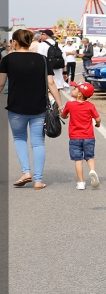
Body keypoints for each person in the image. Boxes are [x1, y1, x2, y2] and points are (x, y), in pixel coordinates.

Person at [0, 28, 64, 189]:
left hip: (16, 108)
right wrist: (60, 105)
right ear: (30, 41)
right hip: (38, 108)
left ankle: (26, 172)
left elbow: (1, 83)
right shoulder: (43, 60)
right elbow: (51, 84)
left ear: (14, 42)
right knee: (38, 143)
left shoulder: (8, 60)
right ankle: (38, 180)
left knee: (20, 139)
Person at [63, 81, 101, 190]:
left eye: (75, 89)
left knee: (78, 159)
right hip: (89, 137)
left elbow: (64, 115)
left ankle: (81, 182)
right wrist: (97, 124)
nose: (72, 89)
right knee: (90, 157)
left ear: (79, 94)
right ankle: (92, 171)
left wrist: (64, 116)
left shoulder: (70, 104)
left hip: (75, 137)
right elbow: (97, 119)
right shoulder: (90, 106)